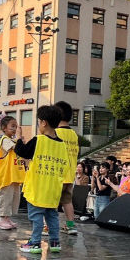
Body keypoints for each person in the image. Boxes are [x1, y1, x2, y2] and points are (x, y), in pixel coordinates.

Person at [14, 105, 72, 254]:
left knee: (36, 216)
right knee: (52, 216)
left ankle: (35, 243)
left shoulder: (38, 140)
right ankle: (54, 242)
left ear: (44, 123)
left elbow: (21, 152)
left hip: (37, 188)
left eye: (39, 122)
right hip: (53, 189)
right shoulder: (62, 145)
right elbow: (66, 166)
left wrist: (18, 138)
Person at [0, 116, 26, 230]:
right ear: (4, 128)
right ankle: (2, 219)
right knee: (6, 197)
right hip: (7, 175)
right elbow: (15, 147)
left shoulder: (14, 140)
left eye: (16, 126)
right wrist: (19, 139)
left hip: (15, 175)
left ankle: (7, 218)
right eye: (12, 126)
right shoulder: (4, 140)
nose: (15, 129)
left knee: (14, 198)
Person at [54, 101, 79, 236]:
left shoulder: (55, 132)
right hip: (70, 175)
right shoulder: (74, 134)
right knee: (67, 201)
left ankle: (47, 226)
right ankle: (71, 226)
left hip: (57, 175)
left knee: (51, 203)